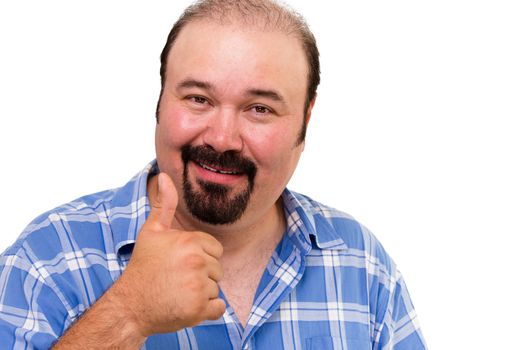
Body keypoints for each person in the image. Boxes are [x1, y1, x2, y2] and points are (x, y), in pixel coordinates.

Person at [0, 0, 427, 349]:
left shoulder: (362, 265)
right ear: (161, 99)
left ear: (305, 119)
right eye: (198, 98)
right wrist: (127, 314)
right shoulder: (46, 261)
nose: (222, 138)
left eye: (259, 108)